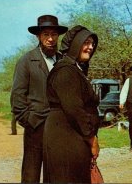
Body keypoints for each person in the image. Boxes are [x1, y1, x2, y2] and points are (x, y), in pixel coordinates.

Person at [10, 15, 68, 182]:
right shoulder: (26, 61)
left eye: (54, 35)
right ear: (38, 36)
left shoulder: (63, 61)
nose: (50, 39)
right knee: (31, 175)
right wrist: (29, 120)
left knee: (56, 174)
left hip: (59, 128)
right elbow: (17, 96)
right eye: (46, 35)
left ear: (58, 36)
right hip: (35, 126)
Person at [43, 25, 100, 183]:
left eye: (92, 44)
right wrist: (92, 139)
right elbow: (75, 110)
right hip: (65, 141)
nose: (90, 47)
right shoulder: (66, 71)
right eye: (86, 42)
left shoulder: (75, 70)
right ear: (75, 45)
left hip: (72, 138)